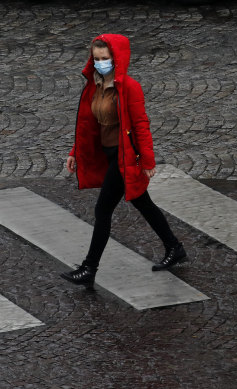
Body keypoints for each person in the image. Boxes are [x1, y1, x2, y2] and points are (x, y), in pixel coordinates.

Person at [61, 34, 186, 289]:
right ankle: (175, 247)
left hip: (123, 156)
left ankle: (89, 268)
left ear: (116, 59)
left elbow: (141, 125)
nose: (99, 63)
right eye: (96, 59)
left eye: (104, 59)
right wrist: (75, 151)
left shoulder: (129, 88)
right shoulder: (93, 86)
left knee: (103, 210)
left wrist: (148, 162)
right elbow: (87, 125)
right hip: (107, 155)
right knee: (142, 201)